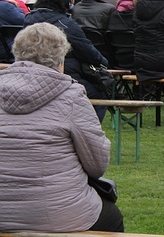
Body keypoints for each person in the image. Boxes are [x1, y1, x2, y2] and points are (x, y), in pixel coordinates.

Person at [0, 23, 123, 232]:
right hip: (60, 214)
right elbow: (97, 164)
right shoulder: (71, 96)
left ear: (17, 54)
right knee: (112, 217)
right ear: (60, 60)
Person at [24, 0, 109, 121]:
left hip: (31, 73)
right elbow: (87, 51)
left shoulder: (28, 19)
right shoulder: (66, 24)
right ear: (66, 0)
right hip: (63, 74)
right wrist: (104, 62)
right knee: (98, 93)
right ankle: (88, 131)